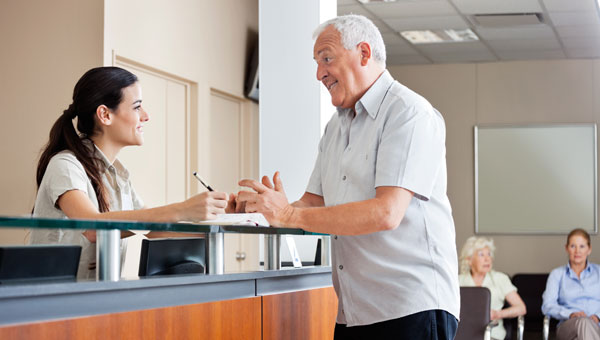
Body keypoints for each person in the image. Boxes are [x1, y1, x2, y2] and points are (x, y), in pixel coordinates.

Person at [237, 15, 459, 339]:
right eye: (316, 63)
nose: (319, 74)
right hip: (355, 312)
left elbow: (387, 212)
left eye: (326, 59)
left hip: (410, 307)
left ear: (364, 54)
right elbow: (312, 204)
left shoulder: (408, 113)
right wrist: (261, 209)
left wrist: (287, 214)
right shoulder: (336, 127)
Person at [31, 66, 235, 279]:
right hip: (54, 301)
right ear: (105, 114)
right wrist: (183, 209)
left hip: (95, 298)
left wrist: (223, 218)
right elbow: (92, 227)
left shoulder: (118, 176)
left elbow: (154, 229)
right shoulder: (64, 165)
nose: (146, 116)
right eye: (137, 107)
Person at [458, 236, 526, 340]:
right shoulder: (458, 280)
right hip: (462, 334)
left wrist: (497, 314)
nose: (487, 259)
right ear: (469, 260)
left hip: (492, 334)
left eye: (489, 254)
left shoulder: (500, 279)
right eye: (481, 254)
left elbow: (521, 308)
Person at [542, 228, 600, 340]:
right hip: (568, 326)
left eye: (582, 246)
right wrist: (570, 314)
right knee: (583, 322)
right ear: (567, 248)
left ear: (589, 249)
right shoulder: (557, 274)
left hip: (597, 325)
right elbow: (547, 306)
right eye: (573, 246)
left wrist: (598, 316)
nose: (577, 251)